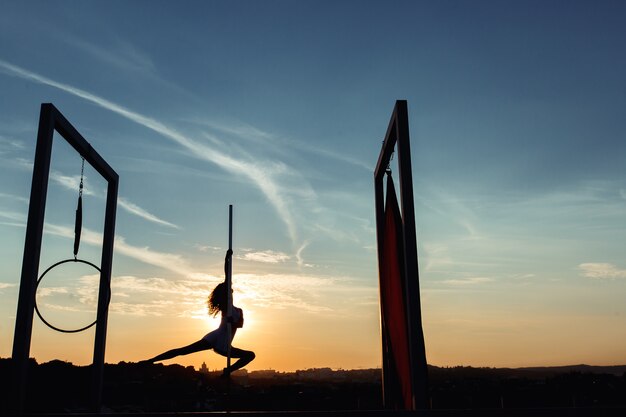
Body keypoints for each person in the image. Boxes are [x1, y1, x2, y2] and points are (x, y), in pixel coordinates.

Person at [142, 249, 255, 376]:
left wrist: (232, 322)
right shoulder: (226, 306)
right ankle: (151, 360)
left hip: (224, 342)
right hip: (216, 338)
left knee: (250, 355)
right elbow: (227, 275)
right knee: (183, 351)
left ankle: (227, 371)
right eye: (227, 288)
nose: (230, 288)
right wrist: (227, 258)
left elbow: (240, 325)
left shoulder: (238, 310)